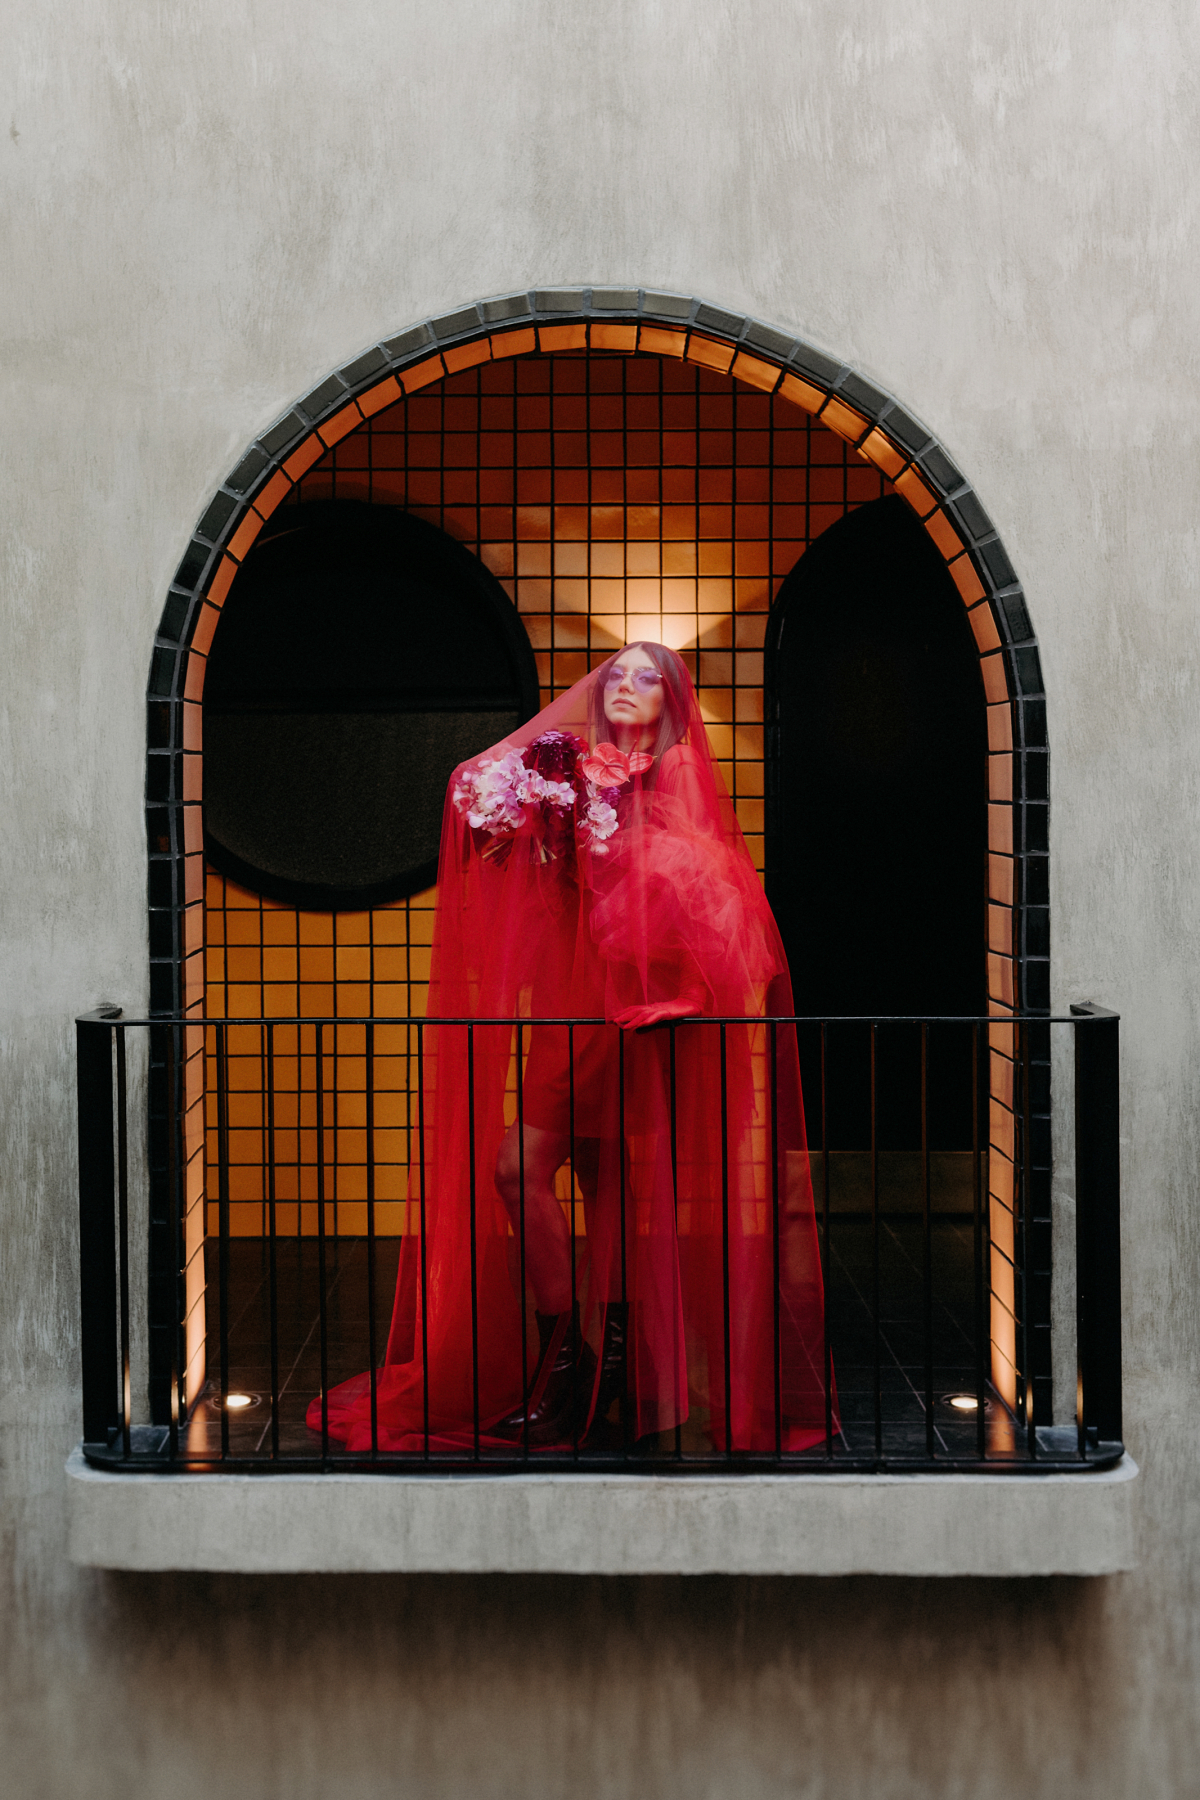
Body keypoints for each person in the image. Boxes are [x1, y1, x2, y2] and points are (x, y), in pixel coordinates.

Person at [309, 643, 830, 1455]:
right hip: (574, 1008)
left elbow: (719, 904)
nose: (624, 686)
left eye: (646, 678)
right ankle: (597, 1369)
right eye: (615, 674)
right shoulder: (579, 772)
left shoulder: (674, 777)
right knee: (583, 1182)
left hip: (624, 1017)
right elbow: (505, 827)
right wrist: (530, 825)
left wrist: (611, 856)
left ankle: (578, 1373)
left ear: (674, 703)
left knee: (538, 1175)